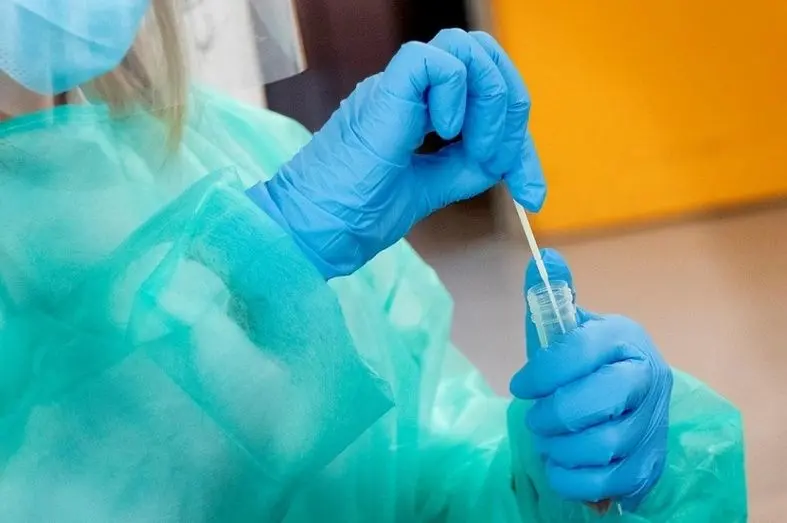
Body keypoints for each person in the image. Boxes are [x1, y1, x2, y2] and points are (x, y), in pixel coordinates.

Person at [0, 0, 745, 521]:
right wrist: (257, 265)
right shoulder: (280, 203)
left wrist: (568, 478)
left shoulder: (228, 151)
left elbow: (423, 481)